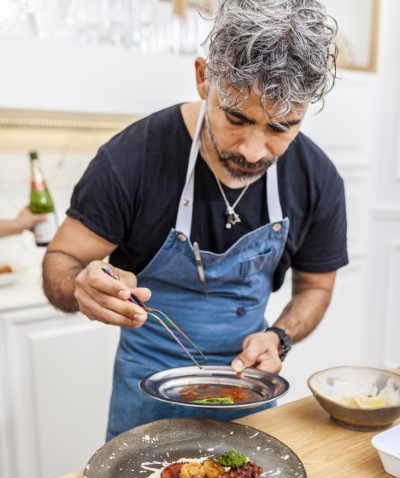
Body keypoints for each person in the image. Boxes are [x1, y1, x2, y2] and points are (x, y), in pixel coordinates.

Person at [42, 0, 348, 440]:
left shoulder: (316, 178)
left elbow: (317, 287)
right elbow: (61, 259)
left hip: (250, 394)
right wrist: (80, 284)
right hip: (146, 394)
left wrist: (279, 336)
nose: (253, 151)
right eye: (237, 118)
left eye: (281, 127)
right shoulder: (131, 160)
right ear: (204, 78)